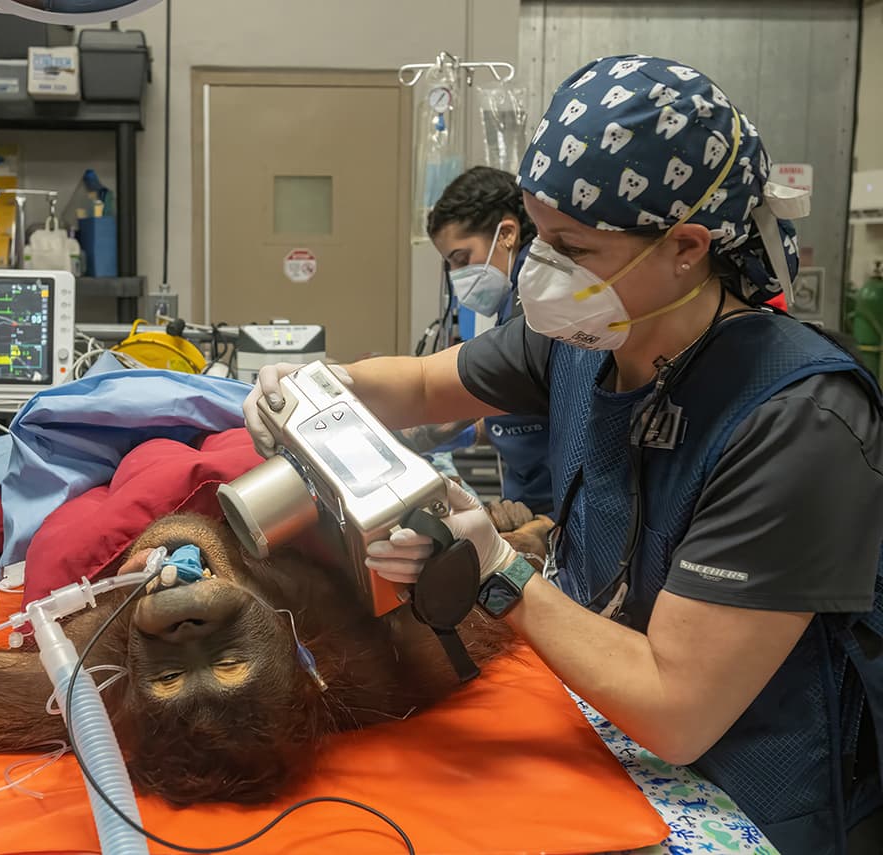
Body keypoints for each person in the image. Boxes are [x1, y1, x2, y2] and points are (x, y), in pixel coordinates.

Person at [244, 55, 883, 854]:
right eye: (536, 236)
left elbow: (676, 706)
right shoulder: (586, 336)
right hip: (602, 742)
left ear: (685, 245)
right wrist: (315, 386)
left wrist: (498, 572)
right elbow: (418, 387)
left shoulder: (799, 420)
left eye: (571, 247)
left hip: (743, 799)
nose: (539, 272)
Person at [427, 166, 553, 516]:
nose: (457, 277)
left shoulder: (538, 302)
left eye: (462, 259)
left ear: (507, 234)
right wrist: (467, 430)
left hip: (554, 505)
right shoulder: (515, 300)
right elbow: (523, 401)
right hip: (535, 495)